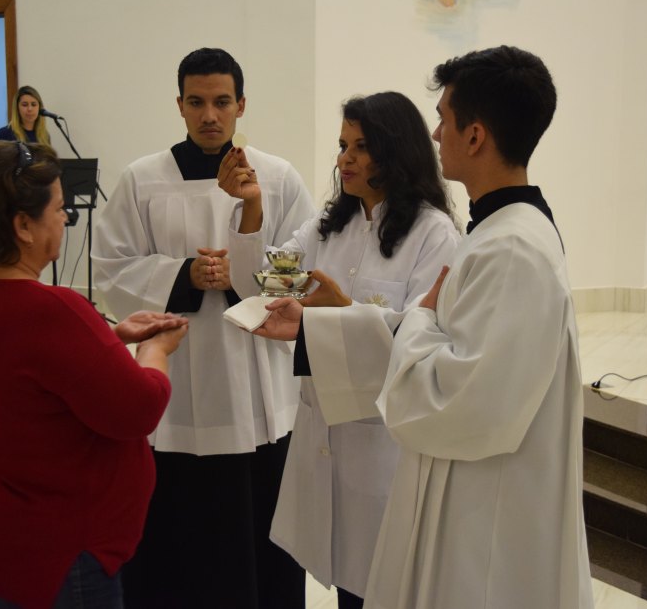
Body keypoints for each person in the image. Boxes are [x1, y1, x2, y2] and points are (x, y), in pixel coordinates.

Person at [253, 45, 594, 608]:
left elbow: (458, 401)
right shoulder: (496, 233)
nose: (436, 135)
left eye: (443, 119)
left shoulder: (504, 247)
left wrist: (411, 319)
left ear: (475, 136)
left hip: (476, 508)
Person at [91, 47, 315, 608]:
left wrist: (243, 266)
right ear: (179, 105)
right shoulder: (143, 179)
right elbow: (110, 268)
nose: (209, 115)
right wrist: (183, 276)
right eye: (196, 102)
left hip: (254, 386)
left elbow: (302, 272)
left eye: (221, 102)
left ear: (241, 104)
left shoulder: (279, 178)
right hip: (180, 384)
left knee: (258, 534)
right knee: (182, 539)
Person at [220, 91, 462, 608]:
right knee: (348, 583)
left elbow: (423, 338)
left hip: (384, 446)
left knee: (385, 585)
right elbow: (261, 281)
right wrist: (253, 206)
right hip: (327, 441)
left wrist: (343, 310)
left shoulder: (433, 233)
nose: (344, 159)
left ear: (395, 150)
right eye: (342, 145)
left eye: (361, 147)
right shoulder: (331, 225)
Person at [0, 141, 188, 608]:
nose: (66, 219)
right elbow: (139, 409)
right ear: (23, 226)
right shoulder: (52, 309)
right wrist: (155, 350)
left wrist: (110, 337)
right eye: (58, 208)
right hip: (55, 552)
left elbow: (31, 373)